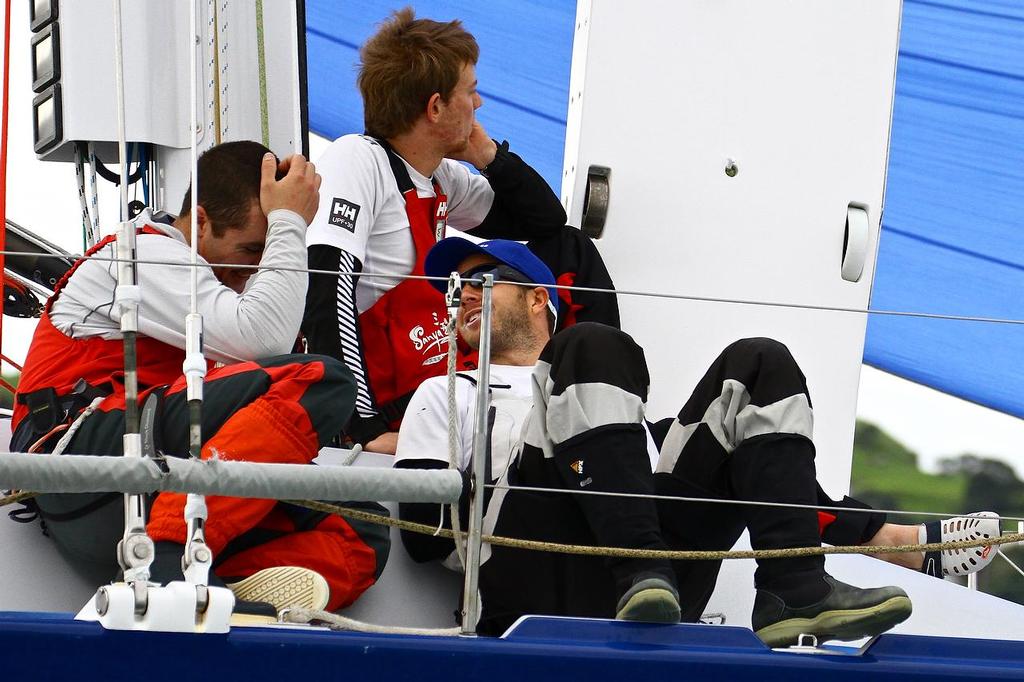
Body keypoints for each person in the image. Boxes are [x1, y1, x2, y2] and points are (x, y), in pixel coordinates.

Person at [394, 236, 1000, 644]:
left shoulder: (607, 397)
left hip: (657, 576)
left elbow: (753, 487)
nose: (462, 295)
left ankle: (794, 589)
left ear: (536, 298)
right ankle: (642, 565)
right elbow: (424, 531)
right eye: (454, 289)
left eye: (481, 280)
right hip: (534, 578)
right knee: (593, 346)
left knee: (758, 364)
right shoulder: (446, 394)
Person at [11, 141, 390, 616]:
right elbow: (264, 340)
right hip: (85, 469)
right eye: (253, 248)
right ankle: (170, 560)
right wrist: (290, 223)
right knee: (323, 379)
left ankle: (226, 591)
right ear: (203, 222)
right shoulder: (143, 254)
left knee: (363, 529)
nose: (255, 271)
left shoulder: (202, 290)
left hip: (156, 481)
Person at [303, 8, 617, 455]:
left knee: (571, 248)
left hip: (444, 375)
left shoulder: (440, 175)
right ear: (435, 107)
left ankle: (595, 392)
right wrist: (360, 425)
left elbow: (544, 223)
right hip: (391, 400)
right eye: (471, 92)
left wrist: (489, 154)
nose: (480, 104)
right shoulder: (357, 158)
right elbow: (325, 290)